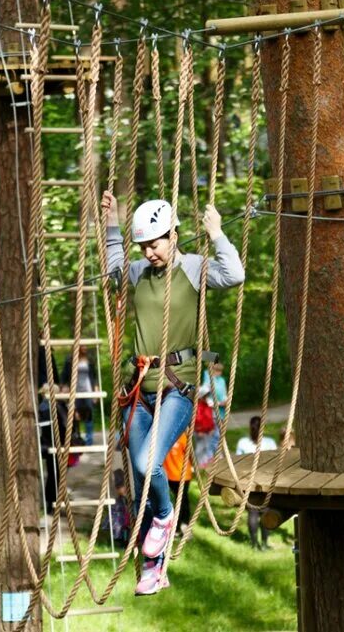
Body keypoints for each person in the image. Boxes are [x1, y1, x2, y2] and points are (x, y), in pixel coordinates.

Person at [103, 191, 245, 596]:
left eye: (157, 242)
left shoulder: (194, 268)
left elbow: (233, 275)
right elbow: (112, 268)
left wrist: (217, 235)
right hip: (139, 394)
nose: (150, 252)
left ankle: (166, 518)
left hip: (177, 391)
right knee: (140, 480)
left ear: (173, 236)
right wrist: (113, 221)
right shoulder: (137, 274)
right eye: (144, 245)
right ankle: (153, 568)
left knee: (150, 464)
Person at [235, 416, 277, 551]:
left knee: (252, 513)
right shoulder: (270, 443)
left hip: (248, 483)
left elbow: (238, 464)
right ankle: (264, 544)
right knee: (266, 511)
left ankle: (254, 544)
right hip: (266, 483)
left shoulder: (243, 443)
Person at [62, 346, 99, 446]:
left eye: (86, 346)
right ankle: (77, 438)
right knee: (74, 416)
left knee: (89, 416)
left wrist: (96, 391)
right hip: (75, 391)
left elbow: (94, 377)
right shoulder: (70, 360)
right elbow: (64, 376)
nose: (85, 348)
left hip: (88, 391)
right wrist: (64, 387)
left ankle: (89, 440)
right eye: (83, 346)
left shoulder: (89, 360)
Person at [195, 362, 229, 467]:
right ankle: (211, 459)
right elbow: (203, 393)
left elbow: (224, 395)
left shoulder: (221, 381)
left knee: (217, 436)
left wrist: (223, 402)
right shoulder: (207, 377)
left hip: (220, 412)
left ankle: (218, 457)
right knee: (212, 438)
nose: (219, 373)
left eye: (220, 371)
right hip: (211, 413)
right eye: (217, 370)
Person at [162, 433, 193, 535]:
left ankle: (182, 525)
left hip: (181, 475)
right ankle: (179, 526)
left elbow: (190, 453)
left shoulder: (170, 435)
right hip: (172, 475)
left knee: (181, 500)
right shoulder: (178, 435)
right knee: (180, 500)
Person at [110, 469, 132, 545]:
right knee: (120, 526)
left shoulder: (126, 497)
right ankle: (120, 540)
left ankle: (125, 541)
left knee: (127, 529)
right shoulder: (118, 500)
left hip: (126, 518)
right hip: (121, 519)